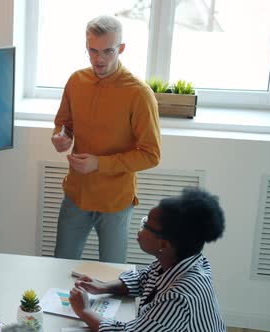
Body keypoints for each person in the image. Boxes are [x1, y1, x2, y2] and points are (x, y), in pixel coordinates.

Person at [51, 15, 161, 263]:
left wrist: (99, 163)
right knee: (59, 265)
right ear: (86, 47)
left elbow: (151, 155)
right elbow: (64, 123)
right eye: (93, 51)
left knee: (113, 274)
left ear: (121, 49)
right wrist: (60, 137)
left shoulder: (139, 94)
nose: (98, 59)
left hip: (116, 200)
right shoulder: (76, 81)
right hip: (76, 193)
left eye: (107, 51)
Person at [69, 187, 226, 332]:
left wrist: (85, 311)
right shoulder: (180, 261)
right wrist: (103, 287)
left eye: (146, 225)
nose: (140, 230)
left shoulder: (179, 297)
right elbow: (143, 279)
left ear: (164, 244)